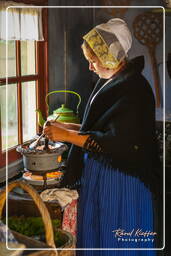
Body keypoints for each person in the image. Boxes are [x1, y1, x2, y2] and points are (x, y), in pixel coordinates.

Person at [44, 18, 163, 255]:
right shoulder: (115, 80)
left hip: (122, 180)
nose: (90, 67)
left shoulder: (133, 88)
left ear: (110, 55)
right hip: (104, 176)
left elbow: (116, 143)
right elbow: (101, 128)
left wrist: (67, 135)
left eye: (93, 60)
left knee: (116, 242)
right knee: (100, 238)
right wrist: (68, 126)